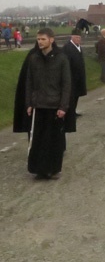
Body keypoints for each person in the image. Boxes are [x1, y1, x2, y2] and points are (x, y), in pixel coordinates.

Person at [25, 28, 71, 180]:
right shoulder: (34, 58)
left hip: (54, 105)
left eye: (43, 39)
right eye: (38, 39)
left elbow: (66, 84)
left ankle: (52, 169)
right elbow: (29, 82)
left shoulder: (61, 58)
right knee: (38, 139)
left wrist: (63, 106)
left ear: (51, 39)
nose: (40, 42)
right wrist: (29, 103)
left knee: (53, 140)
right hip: (39, 105)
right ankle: (38, 169)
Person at [62, 28, 87, 130]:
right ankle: (69, 113)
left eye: (79, 38)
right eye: (76, 37)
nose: (78, 39)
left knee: (76, 95)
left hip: (79, 76)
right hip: (71, 76)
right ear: (72, 37)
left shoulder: (79, 47)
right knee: (71, 96)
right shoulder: (67, 48)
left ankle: (74, 111)